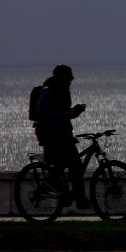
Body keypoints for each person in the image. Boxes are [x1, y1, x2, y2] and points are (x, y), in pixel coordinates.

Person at [33, 64, 91, 209]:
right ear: (61, 78)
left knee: (73, 166)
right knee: (73, 165)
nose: (70, 81)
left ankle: (74, 197)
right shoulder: (48, 91)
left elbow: (64, 114)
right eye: (68, 78)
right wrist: (65, 114)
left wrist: (75, 111)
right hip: (50, 134)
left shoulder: (62, 91)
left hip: (62, 133)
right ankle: (75, 197)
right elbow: (41, 113)